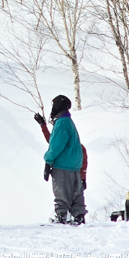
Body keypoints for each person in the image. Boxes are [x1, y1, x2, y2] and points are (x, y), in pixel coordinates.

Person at [41, 94, 86, 224]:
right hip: (74, 164)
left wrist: (48, 161)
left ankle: (62, 216)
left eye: (54, 105)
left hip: (63, 164)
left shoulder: (61, 123)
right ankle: (78, 216)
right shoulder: (68, 122)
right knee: (76, 193)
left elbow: (55, 145)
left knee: (61, 192)